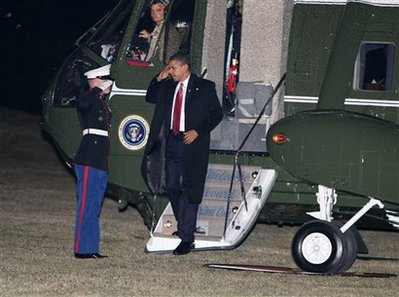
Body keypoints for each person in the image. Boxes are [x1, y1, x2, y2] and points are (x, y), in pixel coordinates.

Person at [141, 53, 223, 255]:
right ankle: (185, 223)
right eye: (169, 69)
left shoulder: (205, 87)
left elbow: (216, 114)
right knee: (171, 186)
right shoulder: (168, 87)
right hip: (173, 142)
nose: (170, 72)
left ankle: (187, 239)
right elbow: (150, 96)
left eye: (172, 68)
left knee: (190, 189)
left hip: (193, 144)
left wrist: (198, 131)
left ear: (185, 67)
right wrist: (159, 78)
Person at [73, 64, 113, 259]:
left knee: (94, 204)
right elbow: (82, 103)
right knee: (87, 205)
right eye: (106, 80)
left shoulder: (101, 102)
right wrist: (97, 87)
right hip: (89, 157)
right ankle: (82, 249)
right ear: (98, 80)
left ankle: (91, 248)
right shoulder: (89, 98)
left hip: (99, 159)